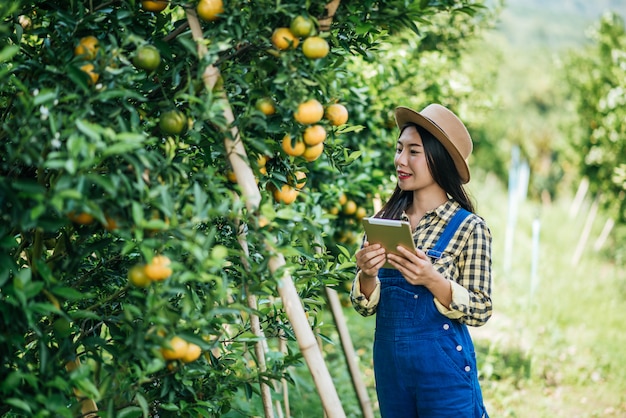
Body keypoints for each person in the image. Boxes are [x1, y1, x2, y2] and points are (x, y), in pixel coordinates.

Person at [351, 103, 492, 418]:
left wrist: (432, 280)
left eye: (413, 151)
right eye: (399, 149)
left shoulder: (469, 227)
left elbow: (482, 309)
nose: (400, 160)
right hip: (391, 371)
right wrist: (368, 273)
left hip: (444, 373)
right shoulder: (384, 222)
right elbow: (363, 306)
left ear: (438, 160)